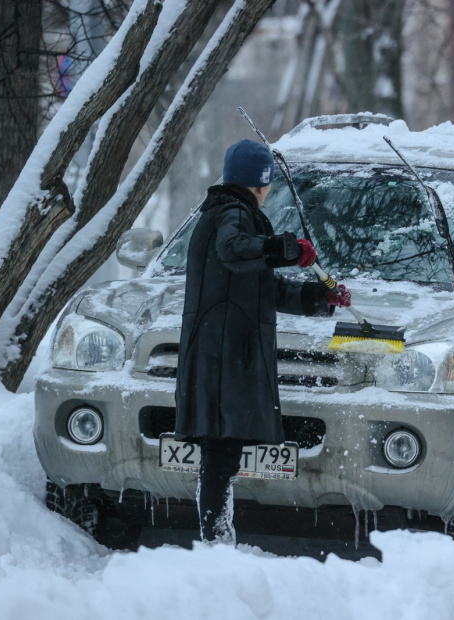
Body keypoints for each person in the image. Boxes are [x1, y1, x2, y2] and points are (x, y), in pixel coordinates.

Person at [174, 138, 351, 545]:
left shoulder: (224, 215)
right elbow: (235, 250)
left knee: (222, 456)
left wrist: (317, 296)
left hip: (221, 356)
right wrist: (287, 248)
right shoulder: (231, 215)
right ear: (261, 183)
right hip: (223, 356)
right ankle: (216, 544)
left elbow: (263, 289)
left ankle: (218, 540)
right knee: (220, 457)